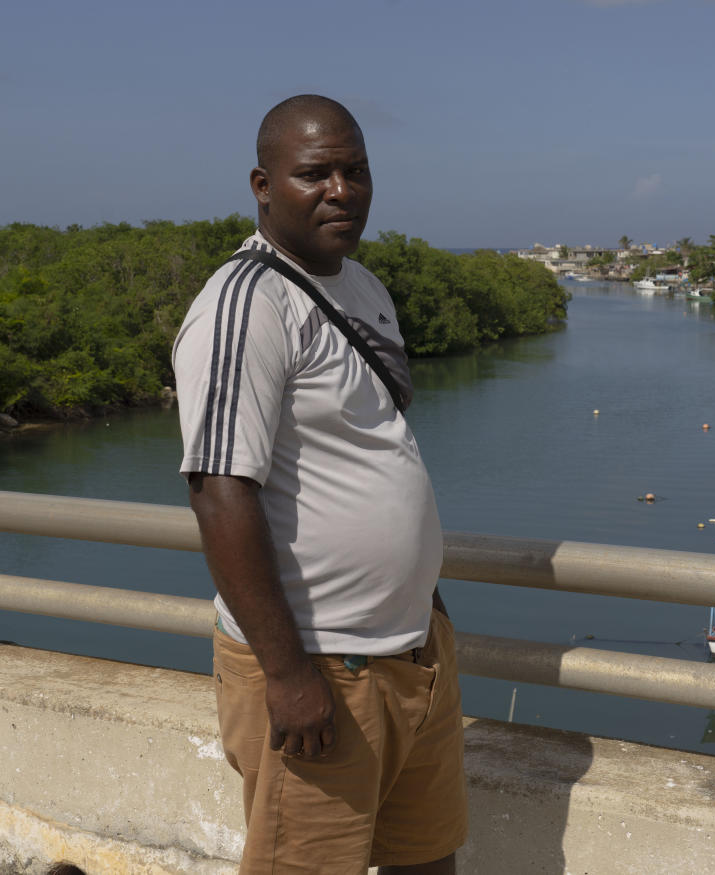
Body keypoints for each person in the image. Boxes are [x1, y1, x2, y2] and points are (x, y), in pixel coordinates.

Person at [173, 95, 467, 874]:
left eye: (355, 170)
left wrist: (422, 594)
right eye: (314, 174)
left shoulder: (364, 287)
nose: (340, 190)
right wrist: (286, 672)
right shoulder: (246, 304)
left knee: (429, 861)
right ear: (263, 185)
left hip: (411, 655)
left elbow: (373, 445)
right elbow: (218, 489)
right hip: (324, 670)